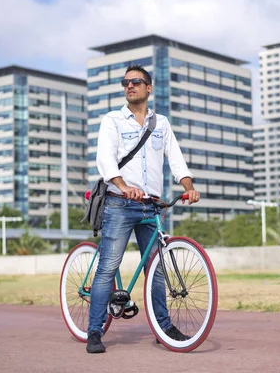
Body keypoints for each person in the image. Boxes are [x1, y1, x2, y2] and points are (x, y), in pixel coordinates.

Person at [86, 64, 201, 354]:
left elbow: (176, 160)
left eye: (136, 81)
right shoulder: (112, 120)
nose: (129, 85)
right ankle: (94, 331)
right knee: (107, 268)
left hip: (151, 207)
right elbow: (106, 159)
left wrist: (188, 187)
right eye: (125, 82)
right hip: (120, 203)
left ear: (148, 88)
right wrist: (123, 186)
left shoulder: (160, 123)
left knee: (157, 269)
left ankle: (163, 327)